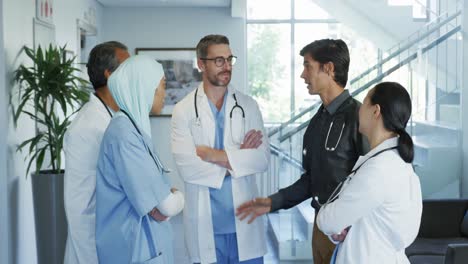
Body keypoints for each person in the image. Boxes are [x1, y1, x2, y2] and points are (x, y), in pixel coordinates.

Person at [236, 39, 368, 264]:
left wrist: (348, 221)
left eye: (308, 66)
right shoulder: (317, 122)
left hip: (353, 233)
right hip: (322, 229)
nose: (302, 75)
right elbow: (312, 181)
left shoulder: (360, 117)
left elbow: (370, 180)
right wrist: (273, 201)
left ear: (328, 68)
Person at [171, 34, 269, 264]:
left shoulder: (248, 105)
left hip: (244, 223)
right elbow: (188, 169)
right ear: (201, 64)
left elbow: (262, 159)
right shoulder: (183, 111)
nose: (226, 66)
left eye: (229, 59)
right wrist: (238, 158)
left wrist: (214, 156)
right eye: (219, 61)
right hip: (206, 226)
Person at [316, 82, 423, 264]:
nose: (359, 109)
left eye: (364, 102)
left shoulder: (379, 170)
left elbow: (327, 221)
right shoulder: (390, 162)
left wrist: (332, 220)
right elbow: (367, 218)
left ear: (376, 111)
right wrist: (341, 229)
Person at [95, 55, 184, 263]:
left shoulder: (133, 129)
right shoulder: (124, 135)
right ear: (145, 87)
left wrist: (163, 202)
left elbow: (159, 206)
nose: (164, 93)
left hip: (146, 247)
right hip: (133, 249)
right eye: (162, 85)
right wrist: (180, 196)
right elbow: (167, 206)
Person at [63, 41, 129, 264]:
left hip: (114, 241)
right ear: (110, 75)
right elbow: (80, 208)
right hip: (93, 252)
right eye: (127, 70)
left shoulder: (113, 116)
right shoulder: (86, 128)